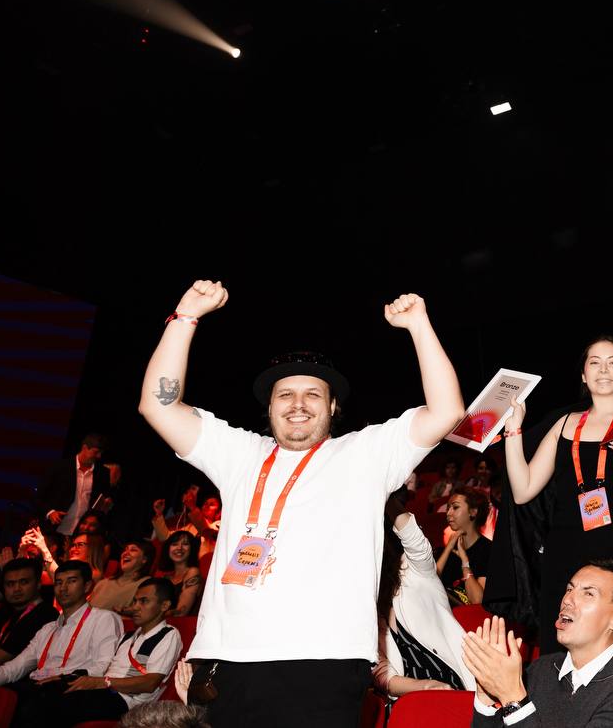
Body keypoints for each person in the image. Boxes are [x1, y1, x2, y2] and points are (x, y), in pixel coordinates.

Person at [135, 280, 464, 728]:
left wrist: (419, 325)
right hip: (229, 662)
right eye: (285, 394)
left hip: (324, 662)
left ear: (333, 406)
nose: (298, 405)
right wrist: (184, 316)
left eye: (313, 394)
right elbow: (158, 406)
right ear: (270, 407)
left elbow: (446, 411)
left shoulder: (366, 453)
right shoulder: (239, 453)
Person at [494, 336, 613, 659]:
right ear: (584, 375)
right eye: (594, 363)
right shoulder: (563, 424)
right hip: (568, 551)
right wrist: (514, 431)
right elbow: (523, 490)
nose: (604, 370)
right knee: (563, 645)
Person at [465, 561, 613, 728]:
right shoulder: (541, 668)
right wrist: (486, 700)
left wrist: (513, 698)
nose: (567, 600)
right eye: (569, 589)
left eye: (588, 593)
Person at [0, 560, 124, 725]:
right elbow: (15, 667)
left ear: (87, 586)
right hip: (38, 686)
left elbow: (103, 666)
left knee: (28, 705)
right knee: (2, 692)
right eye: (59, 582)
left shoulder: (103, 619)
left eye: (71, 581)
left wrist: (64, 678)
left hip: (70, 688)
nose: (63, 588)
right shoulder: (48, 629)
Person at [33, 577, 183, 725]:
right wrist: (67, 677)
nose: (135, 607)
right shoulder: (128, 637)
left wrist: (102, 682)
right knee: (42, 691)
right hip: (106, 690)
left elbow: (150, 683)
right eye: (135, 601)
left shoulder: (168, 634)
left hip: (127, 701)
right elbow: (103, 669)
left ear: (164, 605)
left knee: (60, 704)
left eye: (143, 601)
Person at [375, 489, 475, 697]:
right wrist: (425, 687)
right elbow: (384, 677)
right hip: (411, 697)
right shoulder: (365, 607)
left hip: (452, 686)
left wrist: (384, 494)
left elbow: (414, 539)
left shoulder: (415, 570)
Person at [35, 433, 115, 538]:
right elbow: (38, 496)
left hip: (81, 533)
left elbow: (103, 499)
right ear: (85, 448)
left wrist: (106, 503)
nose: (99, 456)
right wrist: (50, 512)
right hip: (53, 529)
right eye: (96, 452)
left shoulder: (102, 473)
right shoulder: (60, 467)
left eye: (101, 453)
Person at [0, 558, 58, 669]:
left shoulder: (45, 615)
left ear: (38, 584)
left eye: (24, 582)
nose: (17, 589)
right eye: (10, 584)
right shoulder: (5, 610)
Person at [437, 489, 492, 605]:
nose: (448, 513)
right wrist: (448, 548)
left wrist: (465, 562)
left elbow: (477, 600)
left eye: (455, 507)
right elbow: (429, 582)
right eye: (448, 508)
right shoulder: (447, 550)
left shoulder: (488, 550)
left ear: (473, 512)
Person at [89, 539, 154, 612]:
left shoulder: (146, 585)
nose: (125, 553)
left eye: (133, 550)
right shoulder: (103, 583)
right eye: (125, 550)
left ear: (144, 559)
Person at [152, 489, 221, 558]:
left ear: (218, 513)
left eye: (212, 504)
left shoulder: (219, 527)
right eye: (205, 503)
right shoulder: (190, 526)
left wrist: (192, 506)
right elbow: (165, 538)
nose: (207, 506)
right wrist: (159, 514)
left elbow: (206, 531)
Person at [153, 530, 203, 616]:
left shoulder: (193, 572)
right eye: (174, 544)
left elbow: (181, 612)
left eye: (185, 544)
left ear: (192, 549)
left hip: (179, 623)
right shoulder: (165, 578)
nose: (179, 548)